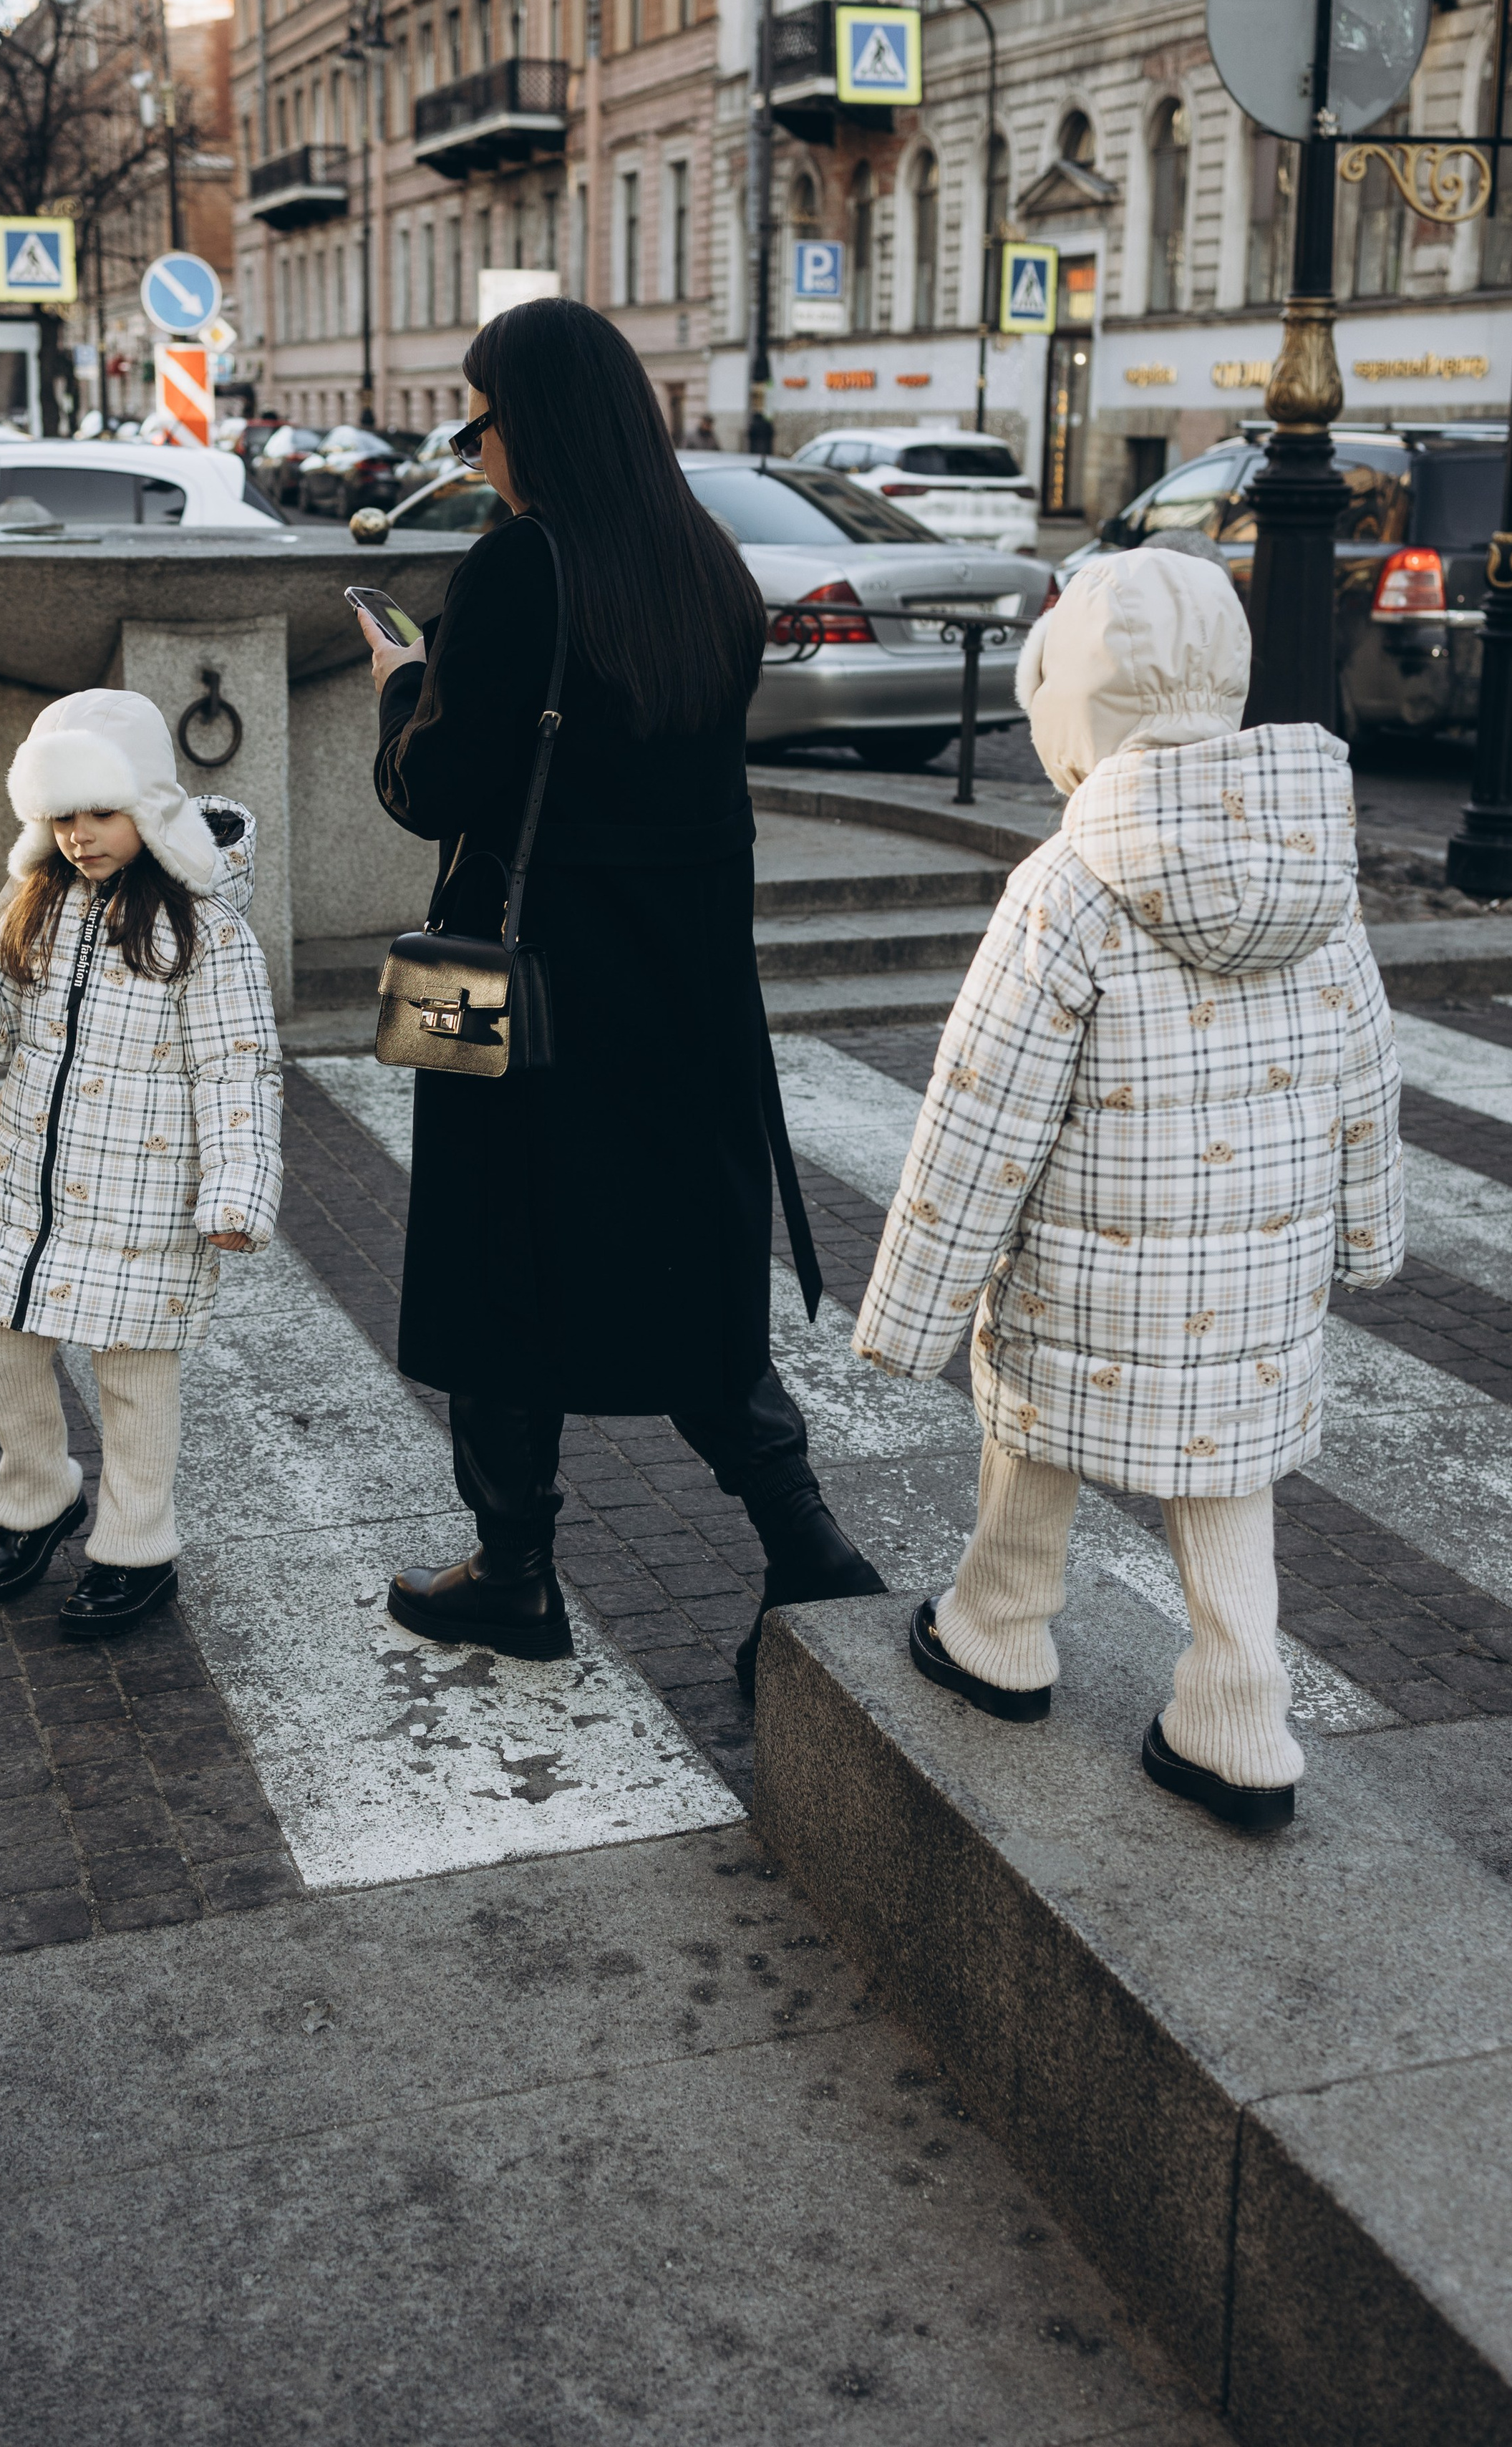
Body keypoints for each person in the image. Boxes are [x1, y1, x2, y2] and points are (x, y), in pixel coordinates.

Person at [359, 294, 883, 1695]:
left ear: (525, 423)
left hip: (513, 994)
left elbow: (431, 793)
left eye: (475, 421)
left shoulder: (516, 567)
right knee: (686, 1277)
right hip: (684, 990)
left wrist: (399, 688)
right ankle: (806, 1545)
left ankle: (516, 1571)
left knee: (493, 1272)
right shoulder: (701, 562)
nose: (468, 451)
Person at [853, 548, 1405, 1830]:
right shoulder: (1317, 870)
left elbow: (979, 1114)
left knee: (1034, 1423)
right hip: (1257, 1277)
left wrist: (914, 1313)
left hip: (1084, 1268)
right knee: (1225, 1478)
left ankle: (1000, 1631)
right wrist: (1366, 1238)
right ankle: (1239, 1717)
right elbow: (1366, 1068)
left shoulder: (1071, 886)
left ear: (1072, 707)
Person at [0, 689, 284, 1637]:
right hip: (31, 1199)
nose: (80, 835)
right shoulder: (39, 904)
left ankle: (135, 1549)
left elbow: (236, 1068)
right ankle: (38, 1498)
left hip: (148, 1201)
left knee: (134, 1380)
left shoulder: (207, 931)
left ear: (149, 808)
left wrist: (236, 1190)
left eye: (100, 812)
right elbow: (11, 1040)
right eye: (61, 815)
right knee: (3, 1349)